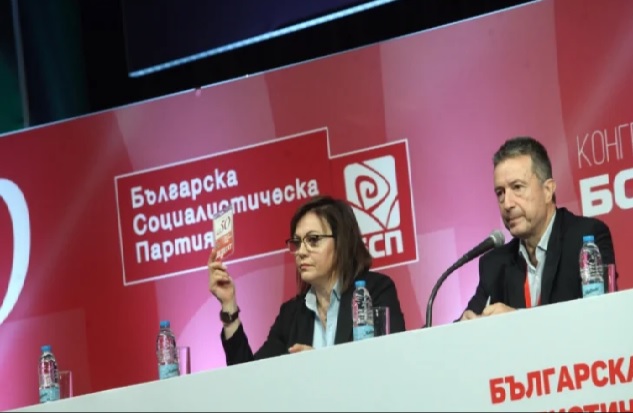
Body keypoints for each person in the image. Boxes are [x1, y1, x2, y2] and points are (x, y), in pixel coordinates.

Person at [208, 195, 406, 365]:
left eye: (313, 240)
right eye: (297, 242)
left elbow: (391, 363)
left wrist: (320, 367)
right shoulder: (291, 315)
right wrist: (229, 304)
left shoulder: (375, 291)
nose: (301, 252)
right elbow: (250, 379)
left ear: (341, 243)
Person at [460, 136, 617, 321]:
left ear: (547, 190)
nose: (507, 203)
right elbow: (463, 325)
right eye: (500, 193)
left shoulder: (586, 240)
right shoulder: (495, 265)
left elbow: (601, 317)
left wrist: (517, 320)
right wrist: (465, 326)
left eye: (517, 187)